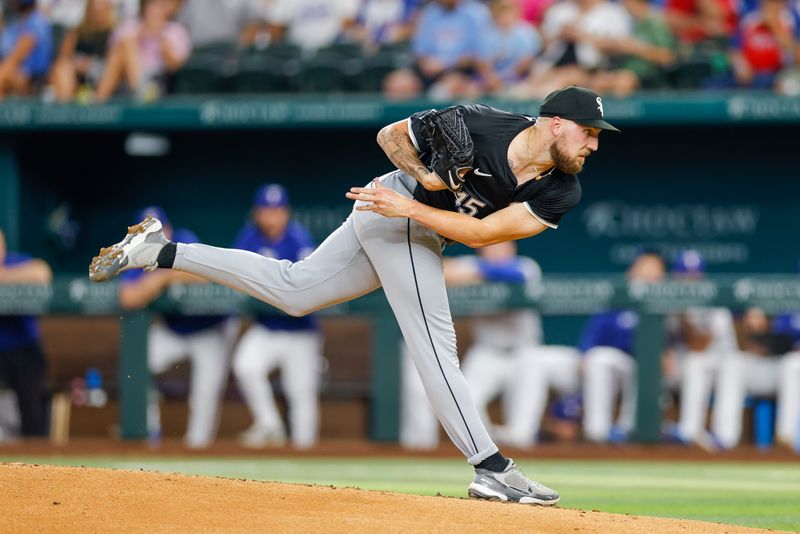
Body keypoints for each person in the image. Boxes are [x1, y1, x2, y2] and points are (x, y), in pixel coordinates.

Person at [89, 85, 620, 506]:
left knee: (294, 290)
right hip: (394, 204)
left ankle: (158, 252)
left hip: (410, 218)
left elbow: (483, 235)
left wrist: (419, 203)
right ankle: (492, 468)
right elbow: (392, 135)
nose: (594, 144)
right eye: (588, 132)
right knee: (434, 343)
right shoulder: (483, 122)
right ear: (555, 123)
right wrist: (421, 178)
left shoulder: (561, 188)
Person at [118, 206, 235, 449]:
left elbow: (205, 275)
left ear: (168, 230)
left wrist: (161, 277)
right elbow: (128, 297)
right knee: (139, 361)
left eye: (158, 230)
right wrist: (150, 281)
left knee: (204, 392)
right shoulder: (135, 255)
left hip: (210, 329)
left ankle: (197, 449)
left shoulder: (185, 240)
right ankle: (149, 432)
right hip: (175, 331)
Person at [231, 184, 323, 450]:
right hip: (267, 328)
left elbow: (310, 285)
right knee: (246, 365)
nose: (272, 216)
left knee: (301, 394)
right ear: (257, 213)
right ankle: (270, 425)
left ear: (286, 213)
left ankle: (306, 455)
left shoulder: (298, 238)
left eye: (277, 210)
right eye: (266, 211)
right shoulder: (249, 236)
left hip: (301, 331)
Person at [581, 250, 666, 443]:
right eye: (644, 267)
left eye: (654, 269)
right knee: (598, 358)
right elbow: (594, 332)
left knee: (647, 368)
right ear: (632, 271)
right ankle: (598, 433)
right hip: (616, 358)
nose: (648, 274)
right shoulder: (617, 297)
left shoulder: (668, 299)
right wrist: (584, 352)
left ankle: (627, 430)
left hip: (645, 364)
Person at [662, 249, 738, 449]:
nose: (689, 280)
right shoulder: (664, 298)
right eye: (684, 274)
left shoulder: (714, 302)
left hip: (716, 363)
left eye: (694, 275)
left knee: (711, 365)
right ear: (676, 275)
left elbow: (701, 344)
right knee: (693, 363)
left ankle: (724, 438)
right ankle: (688, 431)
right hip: (677, 365)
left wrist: (683, 318)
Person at [0, 227, 52, 438]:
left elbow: (42, 273)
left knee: (33, 402)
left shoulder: (15, 261)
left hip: (24, 349)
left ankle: (36, 452)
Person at [95, 0, 190, 102]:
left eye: (159, 7)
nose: (154, 10)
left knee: (127, 44)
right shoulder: (129, 26)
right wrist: (140, 35)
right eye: (152, 5)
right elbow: (111, 58)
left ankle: (97, 100)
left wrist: (159, 35)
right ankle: (137, 92)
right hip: (122, 79)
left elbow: (174, 65)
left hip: (156, 79)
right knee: (125, 45)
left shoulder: (175, 30)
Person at [48, 0, 117, 102]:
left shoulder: (114, 33)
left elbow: (113, 65)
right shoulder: (77, 32)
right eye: (95, 8)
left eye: (102, 7)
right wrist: (78, 64)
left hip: (101, 80)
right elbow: (63, 58)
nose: (98, 12)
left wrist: (90, 66)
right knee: (61, 68)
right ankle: (65, 111)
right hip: (76, 81)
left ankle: (97, 106)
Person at [0, 0, 53, 100]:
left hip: (32, 80)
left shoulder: (37, 21)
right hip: (11, 72)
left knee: (4, 76)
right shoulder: (14, 21)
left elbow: (15, 58)